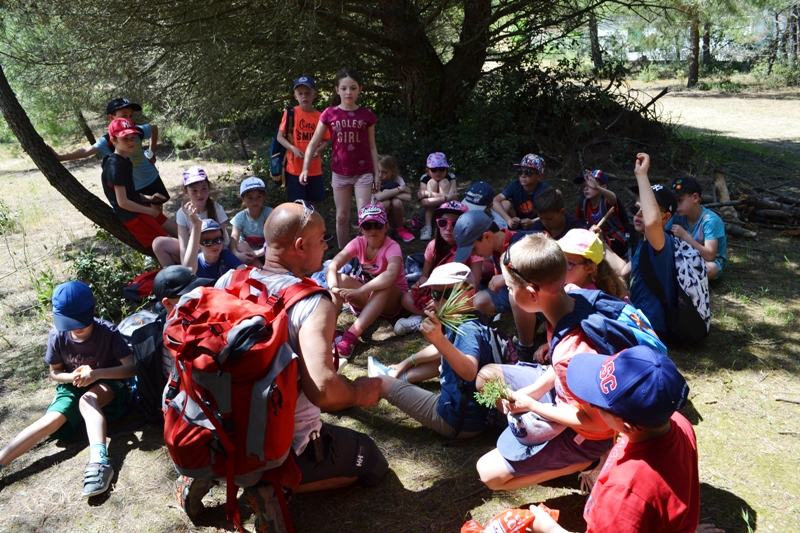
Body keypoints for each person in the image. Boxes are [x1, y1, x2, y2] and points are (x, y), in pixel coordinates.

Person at [186, 201, 387, 528]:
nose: (326, 246)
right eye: (321, 239)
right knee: (372, 461)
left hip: (221, 427)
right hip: (285, 442)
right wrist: (358, 392)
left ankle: (213, 470)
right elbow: (323, 390)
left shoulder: (229, 280)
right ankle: (271, 483)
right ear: (300, 246)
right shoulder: (312, 303)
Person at [474, 233, 615, 491]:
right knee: (486, 378)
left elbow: (597, 422)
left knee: (488, 474)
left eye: (510, 288)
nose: (508, 293)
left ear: (531, 294)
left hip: (590, 433)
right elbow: (560, 369)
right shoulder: (571, 295)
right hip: (564, 395)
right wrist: (533, 391)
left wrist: (533, 406)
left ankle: (590, 461)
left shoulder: (571, 354)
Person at [526, 345, 703, 533]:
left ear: (626, 426)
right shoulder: (678, 423)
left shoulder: (624, 495)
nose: (590, 406)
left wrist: (549, 528)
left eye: (595, 404)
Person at [0, 282, 135, 498]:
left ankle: (99, 462)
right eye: (70, 322)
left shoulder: (107, 331)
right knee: (52, 419)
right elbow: (55, 372)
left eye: (81, 320)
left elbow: (131, 367)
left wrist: (97, 374)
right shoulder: (58, 336)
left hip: (108, 383)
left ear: (92, 309)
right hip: (73, 385)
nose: (77, 327)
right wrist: (72, 377)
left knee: (87, 401)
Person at [368, 263, 495, 438]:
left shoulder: (467, 329)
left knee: (381, 383)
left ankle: (344, 396)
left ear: (469, 294)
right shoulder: (472, 318)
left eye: (447, 294)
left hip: (457, 421)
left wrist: (438, 339)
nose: (440, 301)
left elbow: (469, 371)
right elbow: (443, 350)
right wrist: (405, 363)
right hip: (476, 416)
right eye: (435, 295)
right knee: (447, 356)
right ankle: (399, 376)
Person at [300, 68, 380, 249]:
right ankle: (345, 255)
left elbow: (372, 147)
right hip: (340, 172)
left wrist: (377, 175)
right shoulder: (329, 113)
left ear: (360, 89)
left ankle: (365, 253)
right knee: (341, 216)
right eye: (344, 88)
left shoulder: (366, 115)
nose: (348, 92)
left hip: (363, 172)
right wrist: (305, 168)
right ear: (337, 90)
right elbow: (313, 143)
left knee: (364, 216)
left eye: (353, 88)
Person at [603, 153, 679, 338]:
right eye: (636, 208)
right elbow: (623, 270)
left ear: (665, 217)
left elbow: (652, 224)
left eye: (646, 210)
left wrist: (641, 175)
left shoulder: (660, 244)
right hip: (638, 319)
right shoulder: (646, 244)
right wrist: (601, 244)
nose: (638, 214)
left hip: (650, 326)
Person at [453, 210, 539, 362]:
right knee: (478, 301)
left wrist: (507, 277)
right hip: (523, 297)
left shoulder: (523, 242)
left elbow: (542, 272)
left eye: (473, 249)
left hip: (540, 295)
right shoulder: (494, 250)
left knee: (516, 294)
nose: (473, 254)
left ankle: (525, 348)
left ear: (487, 237)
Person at [326, 204, 408, 358]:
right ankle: (330, 331)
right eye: (367, 226)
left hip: (392, 301)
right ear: (361, 229)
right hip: (368, 296)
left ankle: (351, 336)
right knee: (338, 278)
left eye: (378, 225)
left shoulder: (393, 246)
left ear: (386, 227)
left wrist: (360, 291)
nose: (373, 230)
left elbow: (390, 275)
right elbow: (332, 266)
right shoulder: (358, 242)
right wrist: (334, 287)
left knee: (385, 284)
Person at [54, 98, 171, 206]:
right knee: (147, 215)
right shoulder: (108, 140)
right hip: (134, 186)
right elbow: (86, 151)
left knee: (158, 208)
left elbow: (153, 128)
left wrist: (151, 152)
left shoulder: (137, 131)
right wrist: (61, 157)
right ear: (111, 117)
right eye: (124, 115)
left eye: (131, 115)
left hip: (152, 177)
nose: (129, 119)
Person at [395, 201, 484, 336]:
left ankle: (424, 319)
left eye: (455, 224)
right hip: (435, 293)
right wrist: (420, 286)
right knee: (406, 299)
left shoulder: (473, 249)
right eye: (443, 223)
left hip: (457, 296)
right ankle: (434, 317)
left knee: (476, 302)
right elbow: (425, 276)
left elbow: (473, 287)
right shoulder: (433, 246)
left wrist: (443, 301)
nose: (448, 228)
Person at [100, 118, 176, 248]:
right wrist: (149, 211)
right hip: (133, 216)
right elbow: (123, 202)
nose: (131, 142)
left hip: (140, 207)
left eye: (133, 137)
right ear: (113, 140)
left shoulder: (124, 160)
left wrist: (149, 198)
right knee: (172, 247)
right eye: (125, 139)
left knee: (179, 231)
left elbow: (129, 193)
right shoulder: (115, 165)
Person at [152, 166, 235, 266]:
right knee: (159, 243)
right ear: (186, 192)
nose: (200, 194)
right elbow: (183, 245)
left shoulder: (217, 209)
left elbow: (222, 240)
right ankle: (174, 274)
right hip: (195, 249)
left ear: (209, 188)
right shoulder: (182, 213)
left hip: (215, 249)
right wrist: (186, 268)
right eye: (194, 191)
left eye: (204, 189)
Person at [276, 76, 330, 207]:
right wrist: (293, 148)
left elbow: (326, 140)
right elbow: (280, 137)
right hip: (295, 168)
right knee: (296, 206)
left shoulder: (320, 116)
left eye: (307, 93)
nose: (304, 96)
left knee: (311, 205)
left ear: (315, 95)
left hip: (314, 169)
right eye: (300, 93)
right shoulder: (291, 113)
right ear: (295, 96)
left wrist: (318, 150)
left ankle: (312, 222)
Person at [667, 177, 727, 280]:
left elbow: (709, 256)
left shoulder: (710, 221)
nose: (676, 206)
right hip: (683, 258)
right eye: (674, 201)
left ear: (695, 198)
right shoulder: (676, 216)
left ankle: (678, 276)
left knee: (710, 269)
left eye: (680, 200)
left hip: (707, 261)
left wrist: (685, 236)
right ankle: (682, 276)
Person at [574, 169, 631, 258]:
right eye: (584, 186)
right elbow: (576, 222)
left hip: (614, 240)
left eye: (590, 185)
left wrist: (597, 187)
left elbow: (613, 198)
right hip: (593, 238)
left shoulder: (606, 202)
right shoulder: (583, 203)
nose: (586, 188)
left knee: (596, 240)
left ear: (603, 187)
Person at [558, 229, 628, 300]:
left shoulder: (588, 299)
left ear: (590, 268)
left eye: (569, 263)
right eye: (559, 259)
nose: (560, 266)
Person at [493, 154, 549, 230]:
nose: (523, 175)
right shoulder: (515, 185)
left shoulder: (544, 190)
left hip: (536, 224)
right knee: (505, 203)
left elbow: (552, 212)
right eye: (520, 171)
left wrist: (533, 222)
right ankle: (499, 230)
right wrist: (509, 220)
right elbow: (495, 200)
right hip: (516, 220)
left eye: (528, 172)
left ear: (539, 176)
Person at [183, 216, 244, 281]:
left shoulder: (226, 255)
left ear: (223, 239)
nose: (214, 245)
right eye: (207, 242)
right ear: (198, 245)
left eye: (218, 240)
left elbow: (243, 269)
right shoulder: (195, 262)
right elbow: (186, 276)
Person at [230, 176, 273, 265]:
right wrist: (236, 254)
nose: (255, 201)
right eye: (250, 198)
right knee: (241, 245)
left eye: (258, 197)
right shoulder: (240, 217)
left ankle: (266, 267)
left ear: (264, 197)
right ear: (243, 199)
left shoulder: (270, 214)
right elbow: (233, 238)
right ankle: (261, 268)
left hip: (266, 251)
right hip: (248, 255)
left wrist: (260, 252)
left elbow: (276, 238)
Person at [416, 152, 459, 240]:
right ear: (428, 170)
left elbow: (452, 197)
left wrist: (428, 193)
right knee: (432, 182)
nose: (438, 172)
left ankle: (442, 224)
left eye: (442, 169)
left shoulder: (451, 177)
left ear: (447, 169)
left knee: (444, 182)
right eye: (434, 170)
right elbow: (424, 202)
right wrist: (445, 198)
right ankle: (428, 226)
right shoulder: (425, 178)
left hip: (446, 209)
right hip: (428, 210)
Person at [373, 155, 415, 242]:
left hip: (391, 219)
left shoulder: (398, 180)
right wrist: (399, 189)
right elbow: (380, 196)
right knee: (385, 202)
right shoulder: (374, 180)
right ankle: (378, 230)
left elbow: (408, 197)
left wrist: (388, 193)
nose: (380, 175)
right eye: (378, 171)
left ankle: (399, 229)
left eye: (384, 172)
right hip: (375, 216)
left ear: (393, 172)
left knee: (397, 202)